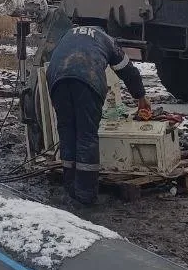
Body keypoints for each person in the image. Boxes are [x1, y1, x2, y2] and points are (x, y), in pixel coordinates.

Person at [46, 25, 150, 206]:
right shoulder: (106, 39)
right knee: (86, 136)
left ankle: (70, 189)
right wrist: (140, 97)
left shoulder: (68, 34)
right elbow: (128, 71)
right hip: (88, 79)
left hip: (57, 79)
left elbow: (54, 58)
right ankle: (85, 195)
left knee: (67, 132)